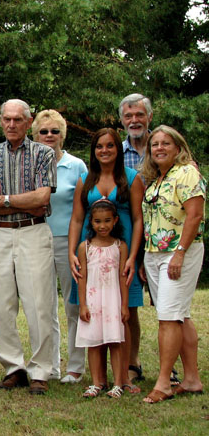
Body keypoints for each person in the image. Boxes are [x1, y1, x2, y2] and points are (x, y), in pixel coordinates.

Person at [0, 99, 57, 395]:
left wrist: (2, 200)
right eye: (6, 119)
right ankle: (13, 368)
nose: (11, 124)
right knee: (2, 305)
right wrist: (21, 201)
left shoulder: (44, 153)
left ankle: (41, 370)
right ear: (1, 121)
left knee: (39, 304)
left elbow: (42, 199)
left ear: (29, 122)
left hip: (34, 233)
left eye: (17, 120)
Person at [68, 127, 144, 394]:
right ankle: (99, 378)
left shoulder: (131, 179)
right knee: (94, 312)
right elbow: (77, 218)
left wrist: (134, 256)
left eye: (110, 146)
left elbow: (137, 219)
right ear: (93, 150)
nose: (104, 151)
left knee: (125, 313)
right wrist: (71, 251)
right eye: (99, 146)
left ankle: (125, 375)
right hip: (92, 257)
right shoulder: (85, 180)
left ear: (117, 149)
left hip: (121, 255)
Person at [139, 125, 205, 403]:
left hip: (179, 253)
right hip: (154, 253)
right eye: (155, 144)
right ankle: (191, 379)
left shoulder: (187, 173)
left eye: (166, 143)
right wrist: (146, 257)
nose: (160, 148)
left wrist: (179, 252)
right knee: (181, 315)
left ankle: (164, 382)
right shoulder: (156, 179)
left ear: (178, 147)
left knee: (167, 317)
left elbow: (194, 215)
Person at [32, 110, 87, 384]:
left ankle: (76, 366)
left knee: (72, 304)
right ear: (36, 135)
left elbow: (87, 205)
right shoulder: (29, 163)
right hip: (36, 238)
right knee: (43, 305)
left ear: (62, 135)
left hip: (69, 241)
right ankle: (49, 366)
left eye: (54, 131)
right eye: (44, 131)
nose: (49, 136)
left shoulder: (76, 166)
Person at [75, 200, 129, 399]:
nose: (103, 226)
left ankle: (117, 383)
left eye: (107, 221)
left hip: (113, 300)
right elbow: (82, 278)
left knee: (115, 341)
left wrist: (124, 305)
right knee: (94, 342)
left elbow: (123, 277)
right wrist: (82, 304)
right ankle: (97, 382)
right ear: (91, 222)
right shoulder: (85, 247)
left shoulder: (120, 246)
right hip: (93, 301)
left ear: (115, 220)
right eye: (98, 221)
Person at [118, 93, 152, 382]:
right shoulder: (117, 152)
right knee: (131, 304)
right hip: (132, 236)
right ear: (121, 120)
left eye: (139, 115)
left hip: (163, 237)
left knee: (171, 308)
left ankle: (173, 365)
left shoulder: (164, 145)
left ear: (149, 117)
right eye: (128, 116)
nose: (134, 120)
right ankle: (133, 362)